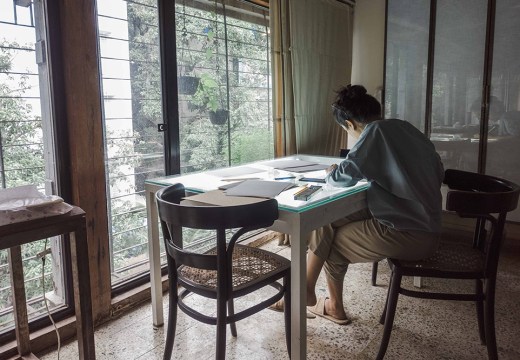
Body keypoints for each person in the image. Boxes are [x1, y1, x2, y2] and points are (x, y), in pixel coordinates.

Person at [303, 84, 445, 324]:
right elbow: (437, 172)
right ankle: (307, 288)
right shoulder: (406, 128)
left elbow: (341, 178)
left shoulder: (374, 132)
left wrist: (331, 172)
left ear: (350, 124)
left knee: (331, 245)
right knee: (325, 218)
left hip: (410, 234)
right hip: (425, 222)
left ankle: (332, 305)